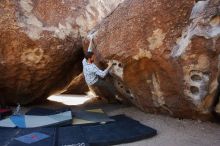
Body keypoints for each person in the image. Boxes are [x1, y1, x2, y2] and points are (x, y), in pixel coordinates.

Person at [82, 38, 119, 102]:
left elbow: (89, 49)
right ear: (89, 59)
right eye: (93, 57)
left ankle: (109, 99)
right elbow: (102, 75)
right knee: (107, 84)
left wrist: (91, 40)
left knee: (104, 78)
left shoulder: (84, 60)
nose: (94, 57)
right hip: (93, 81)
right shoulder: (92, 67)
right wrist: (110, 65)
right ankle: (117, 96)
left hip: (89, 79)